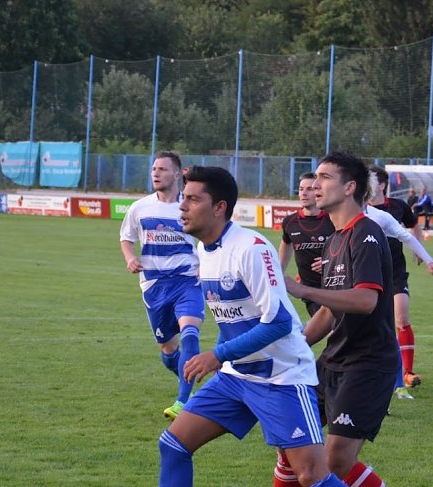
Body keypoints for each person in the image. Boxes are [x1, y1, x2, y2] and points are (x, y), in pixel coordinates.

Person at [158, 166, 344, 487]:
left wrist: (218, 355)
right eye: (183, 198)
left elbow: (280, 322)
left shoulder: (251, 248)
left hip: (281, 378)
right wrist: (225, 356)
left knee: (311, 475)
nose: (182, 207)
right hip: (237, 376)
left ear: (219, 207)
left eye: (193, 199)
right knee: (173, 445)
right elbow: (233, 316)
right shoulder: (204, 249)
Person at [285, 151, 398, 486]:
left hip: (367, 364)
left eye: (325, 178)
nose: (315, 185)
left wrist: (303, 289)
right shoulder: (334, 238)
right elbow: (328, 311)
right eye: (315, 177)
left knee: (336, 460)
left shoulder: (366, 233)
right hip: (333, 359)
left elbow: (365, 300)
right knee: (291, 440)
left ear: (349, 187)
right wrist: (294, 346)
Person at [120, 151, 205, 420]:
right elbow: (126, 238)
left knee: (190, 333)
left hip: (188, 281)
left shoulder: (190, 206)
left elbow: (209, 237)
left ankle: (183, 402)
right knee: (169, 352)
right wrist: (130, 258)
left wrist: (205, 262)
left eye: (163, 169)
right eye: (154, 169)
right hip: (154, 285)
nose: (156, 173)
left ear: (177, 174)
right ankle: (186, 374)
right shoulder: (140, 207)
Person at [368, 166, 433, 398]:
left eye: (371, 180)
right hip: (369, 273)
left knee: (401, 318)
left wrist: (421, 251)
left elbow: (412, 227)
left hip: (395, 271)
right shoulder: (359, 210)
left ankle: (406, 372)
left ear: (381, 185)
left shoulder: (396, 208)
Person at [279, 172, 331, 317]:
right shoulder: (290, 222)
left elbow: (349, 248)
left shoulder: (332, 219)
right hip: (310, 292)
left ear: (319, 191)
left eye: (310, 189)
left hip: (335, 288)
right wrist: (278, 273)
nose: (304, 193)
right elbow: (286, 243)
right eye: (301, 189)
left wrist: (330, 262)